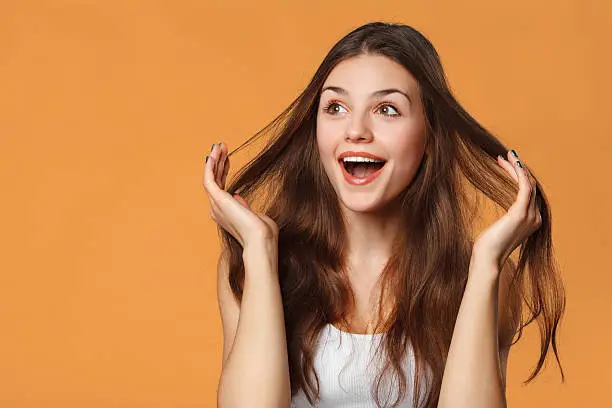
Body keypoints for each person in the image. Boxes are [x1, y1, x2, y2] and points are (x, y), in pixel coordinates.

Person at [203, 22, 566, 408]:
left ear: (430, 137)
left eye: (387, 109)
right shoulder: (250, 267)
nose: (356, 130)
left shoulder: (479, 275)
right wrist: (259, 251)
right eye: (336, 107)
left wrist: (487, 263)